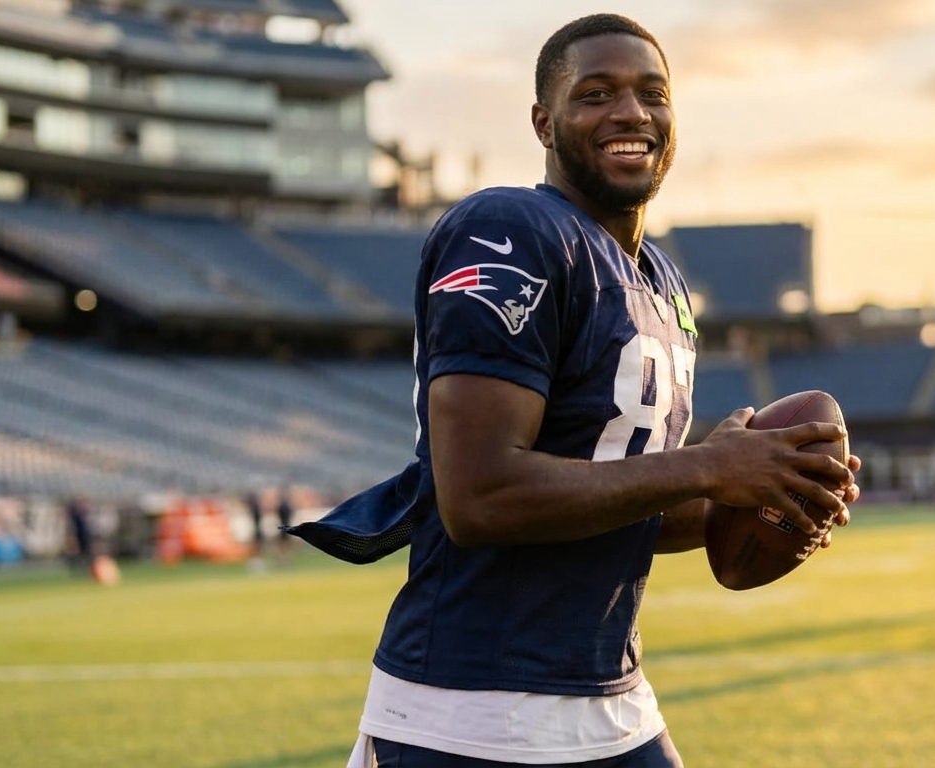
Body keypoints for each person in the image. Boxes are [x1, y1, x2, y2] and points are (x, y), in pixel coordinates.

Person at [287, 14, 860, 768]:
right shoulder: (511, 227)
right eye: (596, 94)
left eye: (652, 93)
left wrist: (766, 489)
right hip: (470, 711)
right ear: (544, 123)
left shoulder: (663, 282)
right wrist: (707, 468)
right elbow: (479, 498)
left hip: (612, 699)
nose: (631, 112)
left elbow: (623, 506)